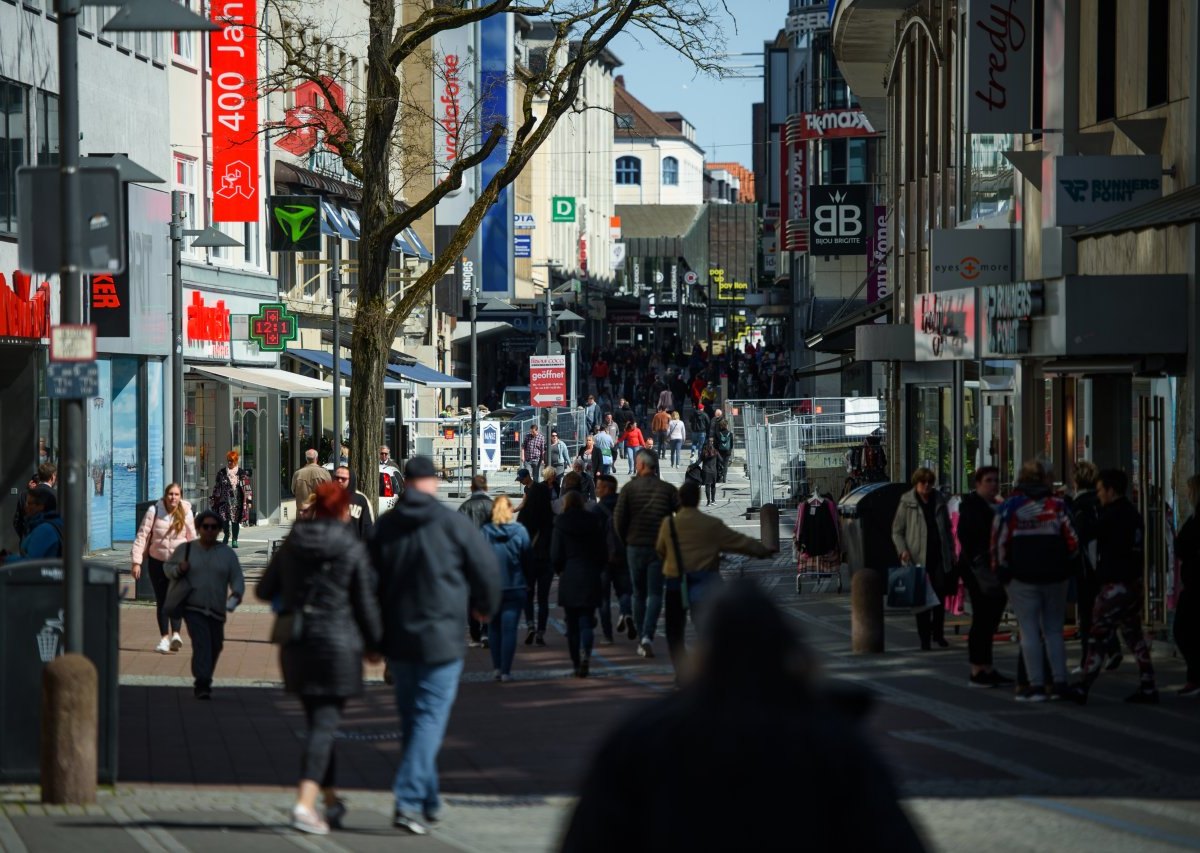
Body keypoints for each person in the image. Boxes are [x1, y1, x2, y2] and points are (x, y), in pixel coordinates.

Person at [560, 580, 926, 853]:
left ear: (704, 651)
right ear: (790, 650)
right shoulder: (834, 742)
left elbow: (591, 837)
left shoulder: (643, 738)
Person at [369, 456, 500, 835]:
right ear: (434, 482)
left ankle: (427, 798)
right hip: (441, 637)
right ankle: (410, 799)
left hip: (398, 637)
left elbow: (367, 583)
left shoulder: (386, 527)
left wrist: (373, 636)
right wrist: (484, 607)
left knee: (413, 718)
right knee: (428, 718)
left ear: (405, 482)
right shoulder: (452, 524)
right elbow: (487, 569)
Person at [257, 482, 383, 836]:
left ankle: (330, 800)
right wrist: (376, 644)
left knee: (317, 722)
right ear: (343, 510)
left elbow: (264, 589)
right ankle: (304, 804)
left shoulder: (294, 542)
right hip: (337, 644)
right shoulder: (350, 546)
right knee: (324, 725)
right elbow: (365, 602)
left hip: (297, 643)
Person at [657, 480, 773, 677]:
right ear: (698, 499)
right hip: (705, 579)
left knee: (674, 629)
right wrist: (762, 550)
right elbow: (739, 541)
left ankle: (680, 671)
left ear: (679, 499)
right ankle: (708, 668)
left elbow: (660, 549)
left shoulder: (669, 524)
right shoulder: (711, 524)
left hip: (676, 581)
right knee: (707, 627)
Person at [992, 460, 1079, 702]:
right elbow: (1072, 539)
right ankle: (1060, 681)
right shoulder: (1057, 505)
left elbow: (998, 541)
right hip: (1056, 575)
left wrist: (1002, 571)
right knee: (1053, 629)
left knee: (1028, 630)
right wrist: (1068, 565)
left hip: (1021, 576)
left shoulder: (1011, 506)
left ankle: (1036, 685)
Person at [1070, 468, 1158, 704]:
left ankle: (1083, 686)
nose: (1098, 495)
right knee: (1133, 635)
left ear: (1110, 490)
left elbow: (1087, 533)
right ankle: (1148, 684)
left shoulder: (1112, 515)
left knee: (1097, 634)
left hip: (1115, 585)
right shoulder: (1132, 513)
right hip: (1133, 583)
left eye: (1100, 490)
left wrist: (1079, 513)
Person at [164, 509, 245, 700]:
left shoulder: (227, 554)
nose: (209, 530)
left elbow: (237, 578)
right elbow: (167, 568)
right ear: (199, 528)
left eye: (214, 527)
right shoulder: (186, 549)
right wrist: (178, 569)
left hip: (217, 609)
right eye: (205, 527)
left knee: (215, 645)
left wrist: (236, 594)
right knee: (202, 643)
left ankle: (204, 675)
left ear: (219, 530)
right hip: (193, 607)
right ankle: (202, 682)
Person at [614, 450, 680, 658]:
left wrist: (625, 539)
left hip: (634, 545)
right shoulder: (667, 489)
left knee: (638, 593)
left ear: (641, 465)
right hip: (659, 547)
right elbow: (681, 515)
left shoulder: (629, 489)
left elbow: (619, 519)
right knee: (655, 593)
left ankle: (642, 634)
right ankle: (647, 636)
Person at [955, 467, 1013, 688]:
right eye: (988, 480)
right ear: (978, 483)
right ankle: (977, 669)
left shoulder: (996, 506)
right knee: (982, 618)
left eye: (996, 480)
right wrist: (980, 562)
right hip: (977, 569)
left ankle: (986, 666)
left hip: (992, 567)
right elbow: (967, 538)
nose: (994, 484)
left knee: (990, 618)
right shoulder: (972, 506)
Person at [891, 468, 954, 652]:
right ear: (916, 484)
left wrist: (951, 551)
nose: (926, 486)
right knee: (921, 601)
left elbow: (947, 529)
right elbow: (897, 531)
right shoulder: (907, 501)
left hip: (939, 556)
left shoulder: (939, 500)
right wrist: (902, 550)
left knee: (940, 596)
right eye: (923, 482)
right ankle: (925, 639)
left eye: (929, 482)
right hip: (917, 557)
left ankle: (939, 633)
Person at [131, 483, 196, 654]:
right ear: (165, 496)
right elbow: (142, 536)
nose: (173, 497)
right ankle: (164, 638)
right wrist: (136, 562)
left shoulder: (187, 513)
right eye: (170, 494)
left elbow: (192, 540)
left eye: (176, 494)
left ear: (180, 496)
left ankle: (175, 635)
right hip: (157, 562)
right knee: (162, 600)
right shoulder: (154, 511)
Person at [552, 490, 606, 677]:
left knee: (572, 623)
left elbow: (556, 554)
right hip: (590, 572)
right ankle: (586, 655)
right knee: (586, 620)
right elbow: (601, 550)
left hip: (570, 573)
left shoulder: (560, 523)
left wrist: (560, 569)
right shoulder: (593, 521)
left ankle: (576, 661)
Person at [480, 495, 530, 682]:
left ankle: (497, 668)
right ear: (510, 511)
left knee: (494, 628)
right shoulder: (520, 531)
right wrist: (528, 581)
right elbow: (527, 559)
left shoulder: (485, 532)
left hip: (492, 587)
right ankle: (506, 670)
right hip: (515, 585)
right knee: (509, 630)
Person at [1067, 461, 1109, 672]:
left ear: (1075, 481)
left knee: (1087, 615)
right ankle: (1111, 648)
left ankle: (1087, 660)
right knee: (1103, 612)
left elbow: (1082, 538)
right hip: (1105, 566)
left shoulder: (1079, 506)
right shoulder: (1101, 503)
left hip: (1087, 568)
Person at [591, 474, 633, 643]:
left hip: (602, 559)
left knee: (603, 599)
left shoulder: (596, 510)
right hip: (623, 554)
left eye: (599, 487)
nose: (596, 489)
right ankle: (627, 612)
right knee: (624, 590)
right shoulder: (625, 506)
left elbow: (592, 535)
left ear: (607, 488)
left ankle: (608, 635)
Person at [518, 467, 557, 645]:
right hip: (546, 560)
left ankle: (530, 624)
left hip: (529, 560)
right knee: (543, 599)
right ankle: (541, 631)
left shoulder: (525, 515)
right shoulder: (551, 517)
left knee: (528, 594)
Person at [458, 475, 494, 648]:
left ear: (471, 488)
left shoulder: (465, 507)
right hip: (490, 556)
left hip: (470, 558)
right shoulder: (492, 506)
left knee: (471, 597)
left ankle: (474, 633)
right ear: (486, 488)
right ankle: (487, 630)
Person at [1173, 474, 1200, 698]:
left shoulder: (1196, 519)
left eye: (1190, 490)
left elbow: (1181, 544)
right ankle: (1194, 677)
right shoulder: (1194, 517)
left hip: (1195, 583)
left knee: (1183, 630)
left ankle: (1195, 676)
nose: (1188, 495)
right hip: (1192, 581)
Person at [210, 450, 253, 548]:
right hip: (223, 501)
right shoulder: (222, 473)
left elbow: (247, 488)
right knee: (224, 519)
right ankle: (226, 534)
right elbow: (216, 486)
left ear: (236, 461)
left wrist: (249, 501)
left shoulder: (241, 473)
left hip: (236, 502)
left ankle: (234, 539)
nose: (230, 463)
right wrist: (214, 498)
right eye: (228, 461)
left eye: (232, 461)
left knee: (235, 521)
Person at [10, 485, 64, 562]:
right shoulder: (44, 525)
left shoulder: (45, 530)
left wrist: (6, 560)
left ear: (41, 506)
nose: (25, 507)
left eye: (29, 503)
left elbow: (30, 562)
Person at [12, 462, 56, 541]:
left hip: (28, 544)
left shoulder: (24, 494)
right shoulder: (57, 495)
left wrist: (24, 537)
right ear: (52, 477)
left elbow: (17, 521)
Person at [332, 466, 374, 541]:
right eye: (337, 478)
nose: (340, 481)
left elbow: (367, 528)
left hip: (353, 548)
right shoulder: (326, 497)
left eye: (343, 479)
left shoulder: (361, 500)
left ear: (350, 480)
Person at [712, 414, 734, 483]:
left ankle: (718, 477)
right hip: (727, 452)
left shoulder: (718, 433)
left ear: (721, 426)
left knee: (718, 464)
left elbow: (715, 443)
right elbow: (731, 444)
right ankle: (724, 478)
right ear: (726, 425)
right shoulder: (730, 434)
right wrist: (729, 450)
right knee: (725, 465)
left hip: (720, 451)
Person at [699, 439, 721, 506]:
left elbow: (698, 462)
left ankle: (708, 502)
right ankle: (713, 500)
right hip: (714, 471)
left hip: (706, 471)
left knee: (707, 486)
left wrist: (691, 467)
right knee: (713, 485)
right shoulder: (715, 452)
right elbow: (721, 460)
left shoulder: (704, 452)